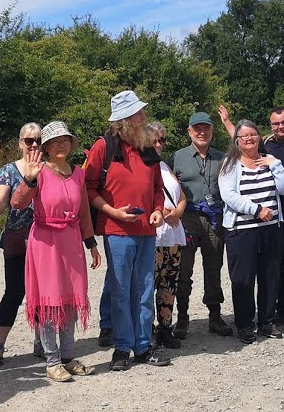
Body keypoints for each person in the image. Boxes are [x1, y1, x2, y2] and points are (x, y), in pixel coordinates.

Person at [85, 90, 171, 371]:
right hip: (116, 229)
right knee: (121, 290)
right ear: (124, 119)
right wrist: (111, 212)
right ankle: (122, 348)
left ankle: (143, 347)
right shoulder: (104, 147)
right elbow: (89, 187)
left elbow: (158, 187)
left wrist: (158, 209)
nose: (144, 116)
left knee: (144, 289)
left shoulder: (148, 148)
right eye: (138, 113)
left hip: (147, 230)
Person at [11, 121, 102, 382]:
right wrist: (29, 178)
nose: (61, 144)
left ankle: (68, 356)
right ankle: (51, 360)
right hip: (45, 241)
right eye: (55, 141)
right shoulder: (38, 171)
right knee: (50, 301)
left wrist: (91, 244)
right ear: (46, 146)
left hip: (71, 239)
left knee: (71, 299)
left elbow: (84, 210)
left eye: (65, 140)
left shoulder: (78, 173)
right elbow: (17, 203)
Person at [222, 106, 284, 333]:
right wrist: (228, 122)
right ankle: (282, 311)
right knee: (274, 270)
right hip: (264, 221)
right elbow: (242, 139)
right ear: (270, 127)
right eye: (276, 123)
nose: (281, 126)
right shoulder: (261, 147)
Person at [218, 120, 284, 343]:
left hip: (271, 229)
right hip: (242, 230)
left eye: (253, 134)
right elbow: (228, 195)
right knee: (243, 279)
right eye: (243, 136)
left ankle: (266, 321)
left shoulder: (270, 161)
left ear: (260, 137)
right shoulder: (230, 164)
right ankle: (244, 323)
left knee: (270, 277)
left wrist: (275, 165)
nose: (249, 139)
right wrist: (256, 210)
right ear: (237, 140)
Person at [0, 123, 43, 366]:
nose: (34, 144)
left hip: (44, 240)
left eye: (38, 139)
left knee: (41, 293)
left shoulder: (48, 170)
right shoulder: (8, 170)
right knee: (14, 292)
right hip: (16, 239)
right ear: (20, 143)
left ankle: (41, 339)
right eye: (29, 140)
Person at [170, 111, 233, 340]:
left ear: (212, 131)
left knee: (214, 269)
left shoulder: (222, 157)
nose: (202, 132)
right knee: (183, 269)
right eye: (197, 128)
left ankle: (215, 316)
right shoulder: (177, 157)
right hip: (187, 218)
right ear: (189, 131)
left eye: (206, 128)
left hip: (215, 220)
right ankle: (183, 317)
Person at [148, 122, 187, 349]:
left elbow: (180, 194)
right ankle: (146, 331)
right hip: (153, 237)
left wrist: (179, 211)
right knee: (148, 285)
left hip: (172, 235)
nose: (158, 144)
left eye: (161, 140)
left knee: (168, 285)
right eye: (153, 139)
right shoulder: (142, 165)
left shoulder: (164, 165)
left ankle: (165, 328)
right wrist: (161, 211)